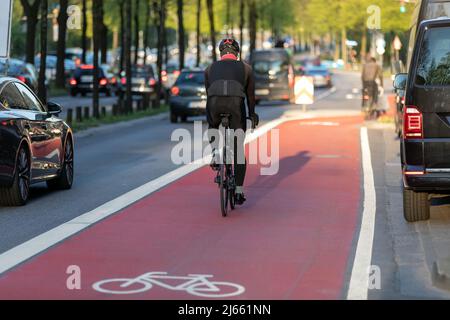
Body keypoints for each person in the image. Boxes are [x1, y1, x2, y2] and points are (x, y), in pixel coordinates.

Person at [204, 39, 259, 205]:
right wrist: (252, 114)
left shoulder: (209, 68)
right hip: (236, 106)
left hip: (214, 104)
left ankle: (215, 153)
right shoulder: (246, 68)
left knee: (213, 125)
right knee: (238, 149)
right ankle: (239, 190)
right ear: (237, 53)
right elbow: (250, 96)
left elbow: (209, 93)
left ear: (221, 52)